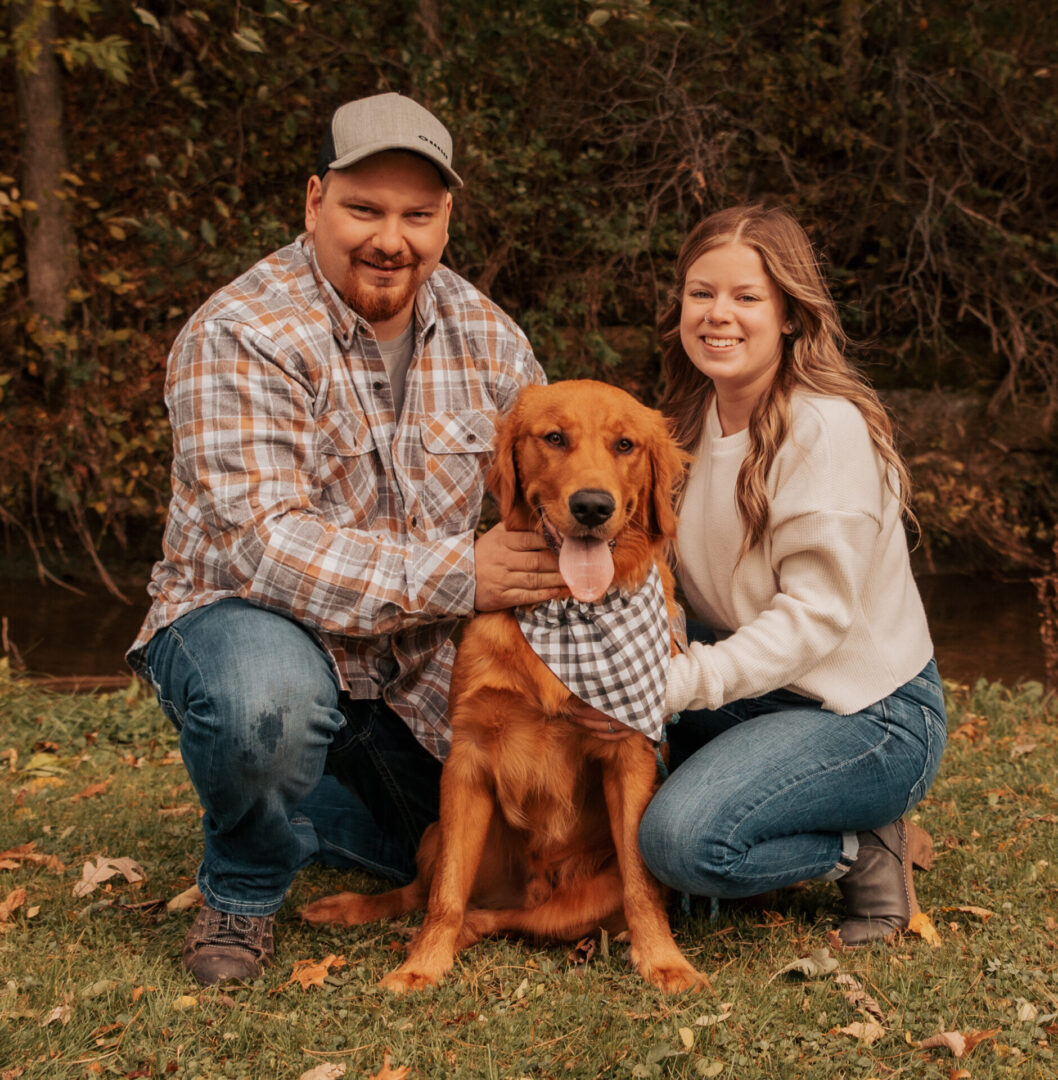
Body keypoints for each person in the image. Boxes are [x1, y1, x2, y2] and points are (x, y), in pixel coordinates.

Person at [127, 93, 570, 985]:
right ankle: (243, 890)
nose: (390, 239)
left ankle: (300, 808)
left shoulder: (490, 338)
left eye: (418, 215)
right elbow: (267, 546)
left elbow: (545, 495)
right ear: (314, 202)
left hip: (408, 672)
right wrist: (463, 573)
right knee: (269, 706)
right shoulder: (240, 334)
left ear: (447, 219)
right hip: (248, 627)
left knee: (478, 837)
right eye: (364, 209)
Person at [639, 203, 947, 945]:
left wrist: (676, 684)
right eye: (701, 292)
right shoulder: (683, 421)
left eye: (746, 297)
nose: (719, 315)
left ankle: (863, 850)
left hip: (869, 716)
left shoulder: (824, 427)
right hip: (758, 696)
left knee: (682, 842)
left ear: (789, 316)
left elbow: (814, 619)